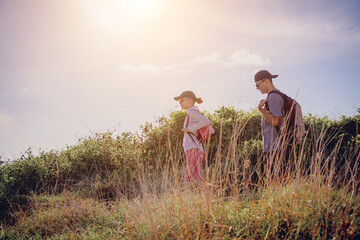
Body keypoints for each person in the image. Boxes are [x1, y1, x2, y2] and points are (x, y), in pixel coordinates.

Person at [255, 70, 288, 180]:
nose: (257, 88)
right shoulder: (276, 95)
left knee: (275, 182)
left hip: (275, 147)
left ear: (266, 81)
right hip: (277, 146)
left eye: (257, 84)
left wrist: (261, 110)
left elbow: (275, 121)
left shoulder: (273, 96)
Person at [174, 90, 212, 182]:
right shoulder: (190, 113)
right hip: (194, 149)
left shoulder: (192, 112)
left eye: (181, 100)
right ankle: (205, 194)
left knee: (190, 177)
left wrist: (189, 129)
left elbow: (206, 121)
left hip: (193, 149)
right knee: (196, 177)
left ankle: (198, 194)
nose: (180, 103)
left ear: (190, 100)